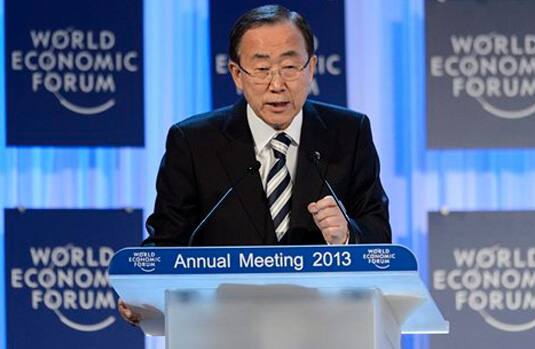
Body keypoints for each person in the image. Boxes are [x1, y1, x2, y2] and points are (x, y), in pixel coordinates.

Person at [119, 4, 391, 326]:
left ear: (311, 67)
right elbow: (168, 240)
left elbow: (379, 237)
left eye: (290, 66)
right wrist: (143, 291)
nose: (277, 85)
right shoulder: (194, 143)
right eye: (262, 70)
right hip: (222, 328)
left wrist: (347, 237)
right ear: (237, 74)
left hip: (326, 326)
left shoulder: (349, 133)